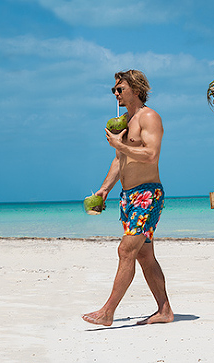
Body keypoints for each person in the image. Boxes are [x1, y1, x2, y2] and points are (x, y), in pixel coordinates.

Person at [82, 70, 173, 326]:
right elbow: (119, 160)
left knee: (125, 250)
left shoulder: (149, 117)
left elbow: (151, 154)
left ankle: (107, 312)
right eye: (114, 90)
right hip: (129, 195)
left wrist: (119, 145)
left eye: (119, 89)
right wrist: (104, 190)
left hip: (147, 194)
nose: (115, 93)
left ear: (135, 89)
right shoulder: (124, 120)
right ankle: (164, 310)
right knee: (144, 255)